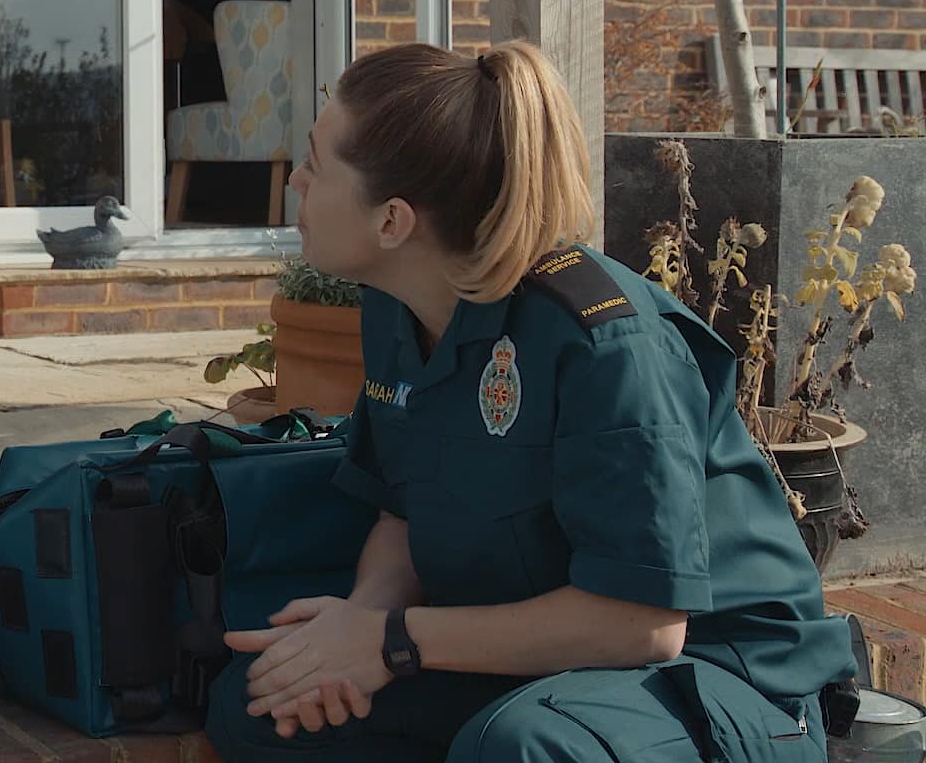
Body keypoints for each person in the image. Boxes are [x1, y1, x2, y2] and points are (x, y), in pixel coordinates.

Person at [205, 41, 855, 762]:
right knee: (262, 702)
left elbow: (643, 625)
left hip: (714, 680)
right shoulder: (395, 308)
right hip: (537, 661)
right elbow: (402, 507)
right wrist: (361, 625)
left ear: (393, 223)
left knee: (521, 748)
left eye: (317, 164)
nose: (295, 179)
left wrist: (394, 643)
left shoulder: (605, 342)